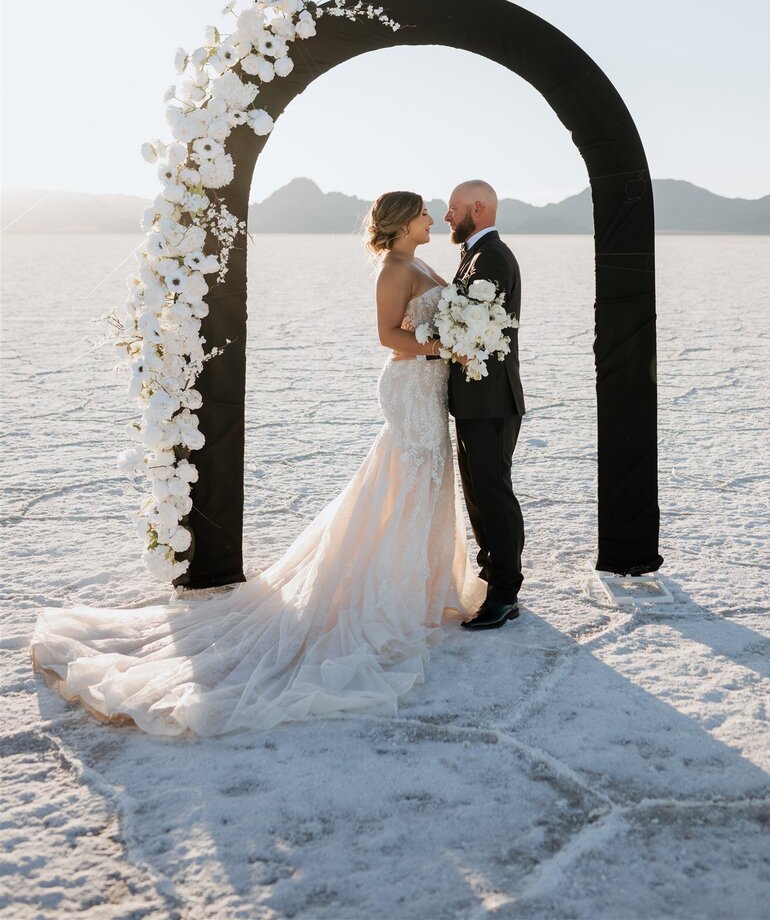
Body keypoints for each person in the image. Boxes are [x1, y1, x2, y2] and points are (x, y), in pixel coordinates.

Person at [29, 191, 483, 737]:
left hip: (429, 388)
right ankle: (392, 593)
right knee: (409, 478)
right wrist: (444, 346)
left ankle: (424, 584)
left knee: (423, 480)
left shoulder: (420, 260)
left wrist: (454, 339)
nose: (432, 218)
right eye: (423, 214)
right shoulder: (393, 270)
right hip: (410, 387)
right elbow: (387, 336)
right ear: (404, 222)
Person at [444, 180, 527, 631]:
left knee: (493, 493)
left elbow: (480, 330)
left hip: (492, 399)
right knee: (479, 492)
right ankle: (494, 573)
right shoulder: (476, 254)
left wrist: (433, 339)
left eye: (453, 208)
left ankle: (505, 593)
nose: (447, 217)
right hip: (475, 399)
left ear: (478, 207)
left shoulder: (492, 257)